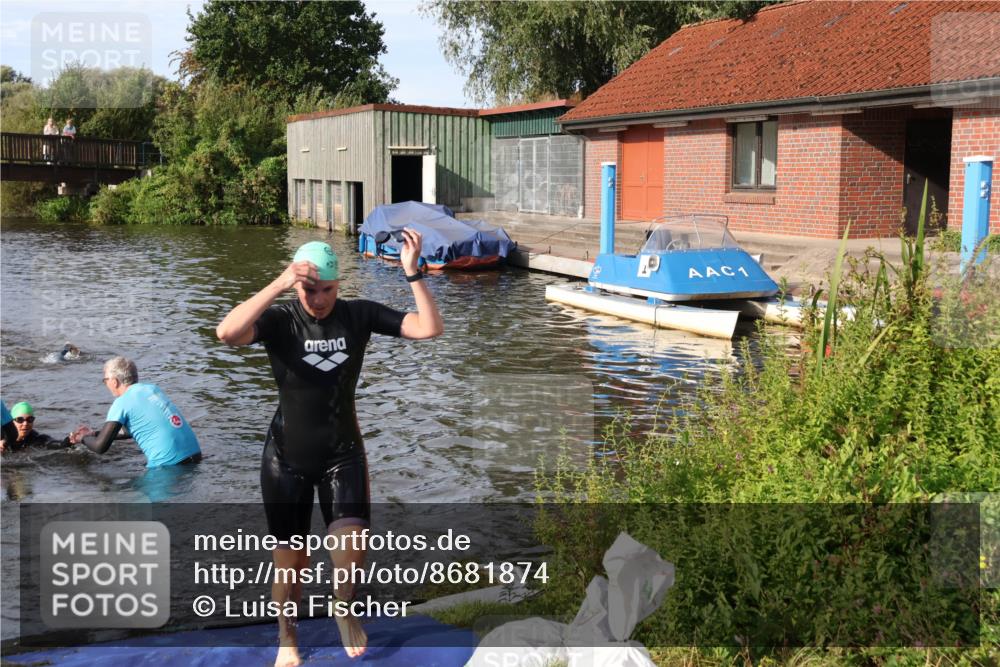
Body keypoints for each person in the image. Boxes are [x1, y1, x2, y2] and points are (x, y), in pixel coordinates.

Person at [216, 236, 443, 666]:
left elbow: (429, 328)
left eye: (327, 290)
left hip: (343, 454)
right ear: (297, 286)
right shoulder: (281, 321)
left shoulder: (358, 315)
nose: (318, 300)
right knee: (290, 566)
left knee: (351, 549)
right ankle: (288, 637)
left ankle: (343, 605)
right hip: (286, 460)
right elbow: (227, 333)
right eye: (310, 290)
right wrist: (281, 283)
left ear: (339, 285)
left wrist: (413, 271)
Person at [70, 357, 202, 468]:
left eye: (105, 380)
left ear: (114, 381)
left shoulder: (122, 402)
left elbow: (100, 447)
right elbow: (135, 429)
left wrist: (83, 438)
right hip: (195, 456)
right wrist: (94, 434)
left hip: (168, 466)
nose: (105, 384)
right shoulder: (152, 389)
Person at [0, 402, 74, 453]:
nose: (25, 423)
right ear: (12, 421)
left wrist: (69, 440)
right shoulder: (2, 434)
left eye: (30, 419)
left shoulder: (35, 438)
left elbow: (53, 444)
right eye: (20, 420)